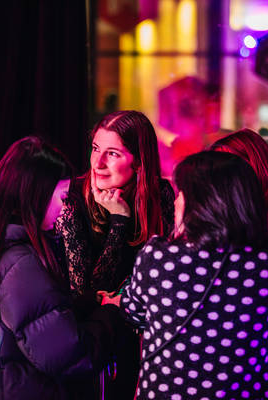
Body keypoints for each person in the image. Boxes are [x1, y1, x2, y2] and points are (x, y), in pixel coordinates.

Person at [109, 151, 268, 399]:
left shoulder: (157, 257)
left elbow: (133, 313)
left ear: (202, 204)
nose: (176, 202)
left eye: (181, 193)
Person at [0, 137, 123, 400]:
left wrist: (87, 304)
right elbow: (70, 356)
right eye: (62, 197)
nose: (64, 208)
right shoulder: (18, 262)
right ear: (36, 195)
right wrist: (111, 315)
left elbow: (23, 321)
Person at [56, 110, 175, 398]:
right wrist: (119, 222)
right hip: (90, 338)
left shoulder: (160, 194)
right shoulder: (72, 199)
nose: (97, 163)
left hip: (144, 334)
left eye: (112, 153)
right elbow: (87, 292)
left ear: (139, 161)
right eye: (96, 149)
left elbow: (164, 273)